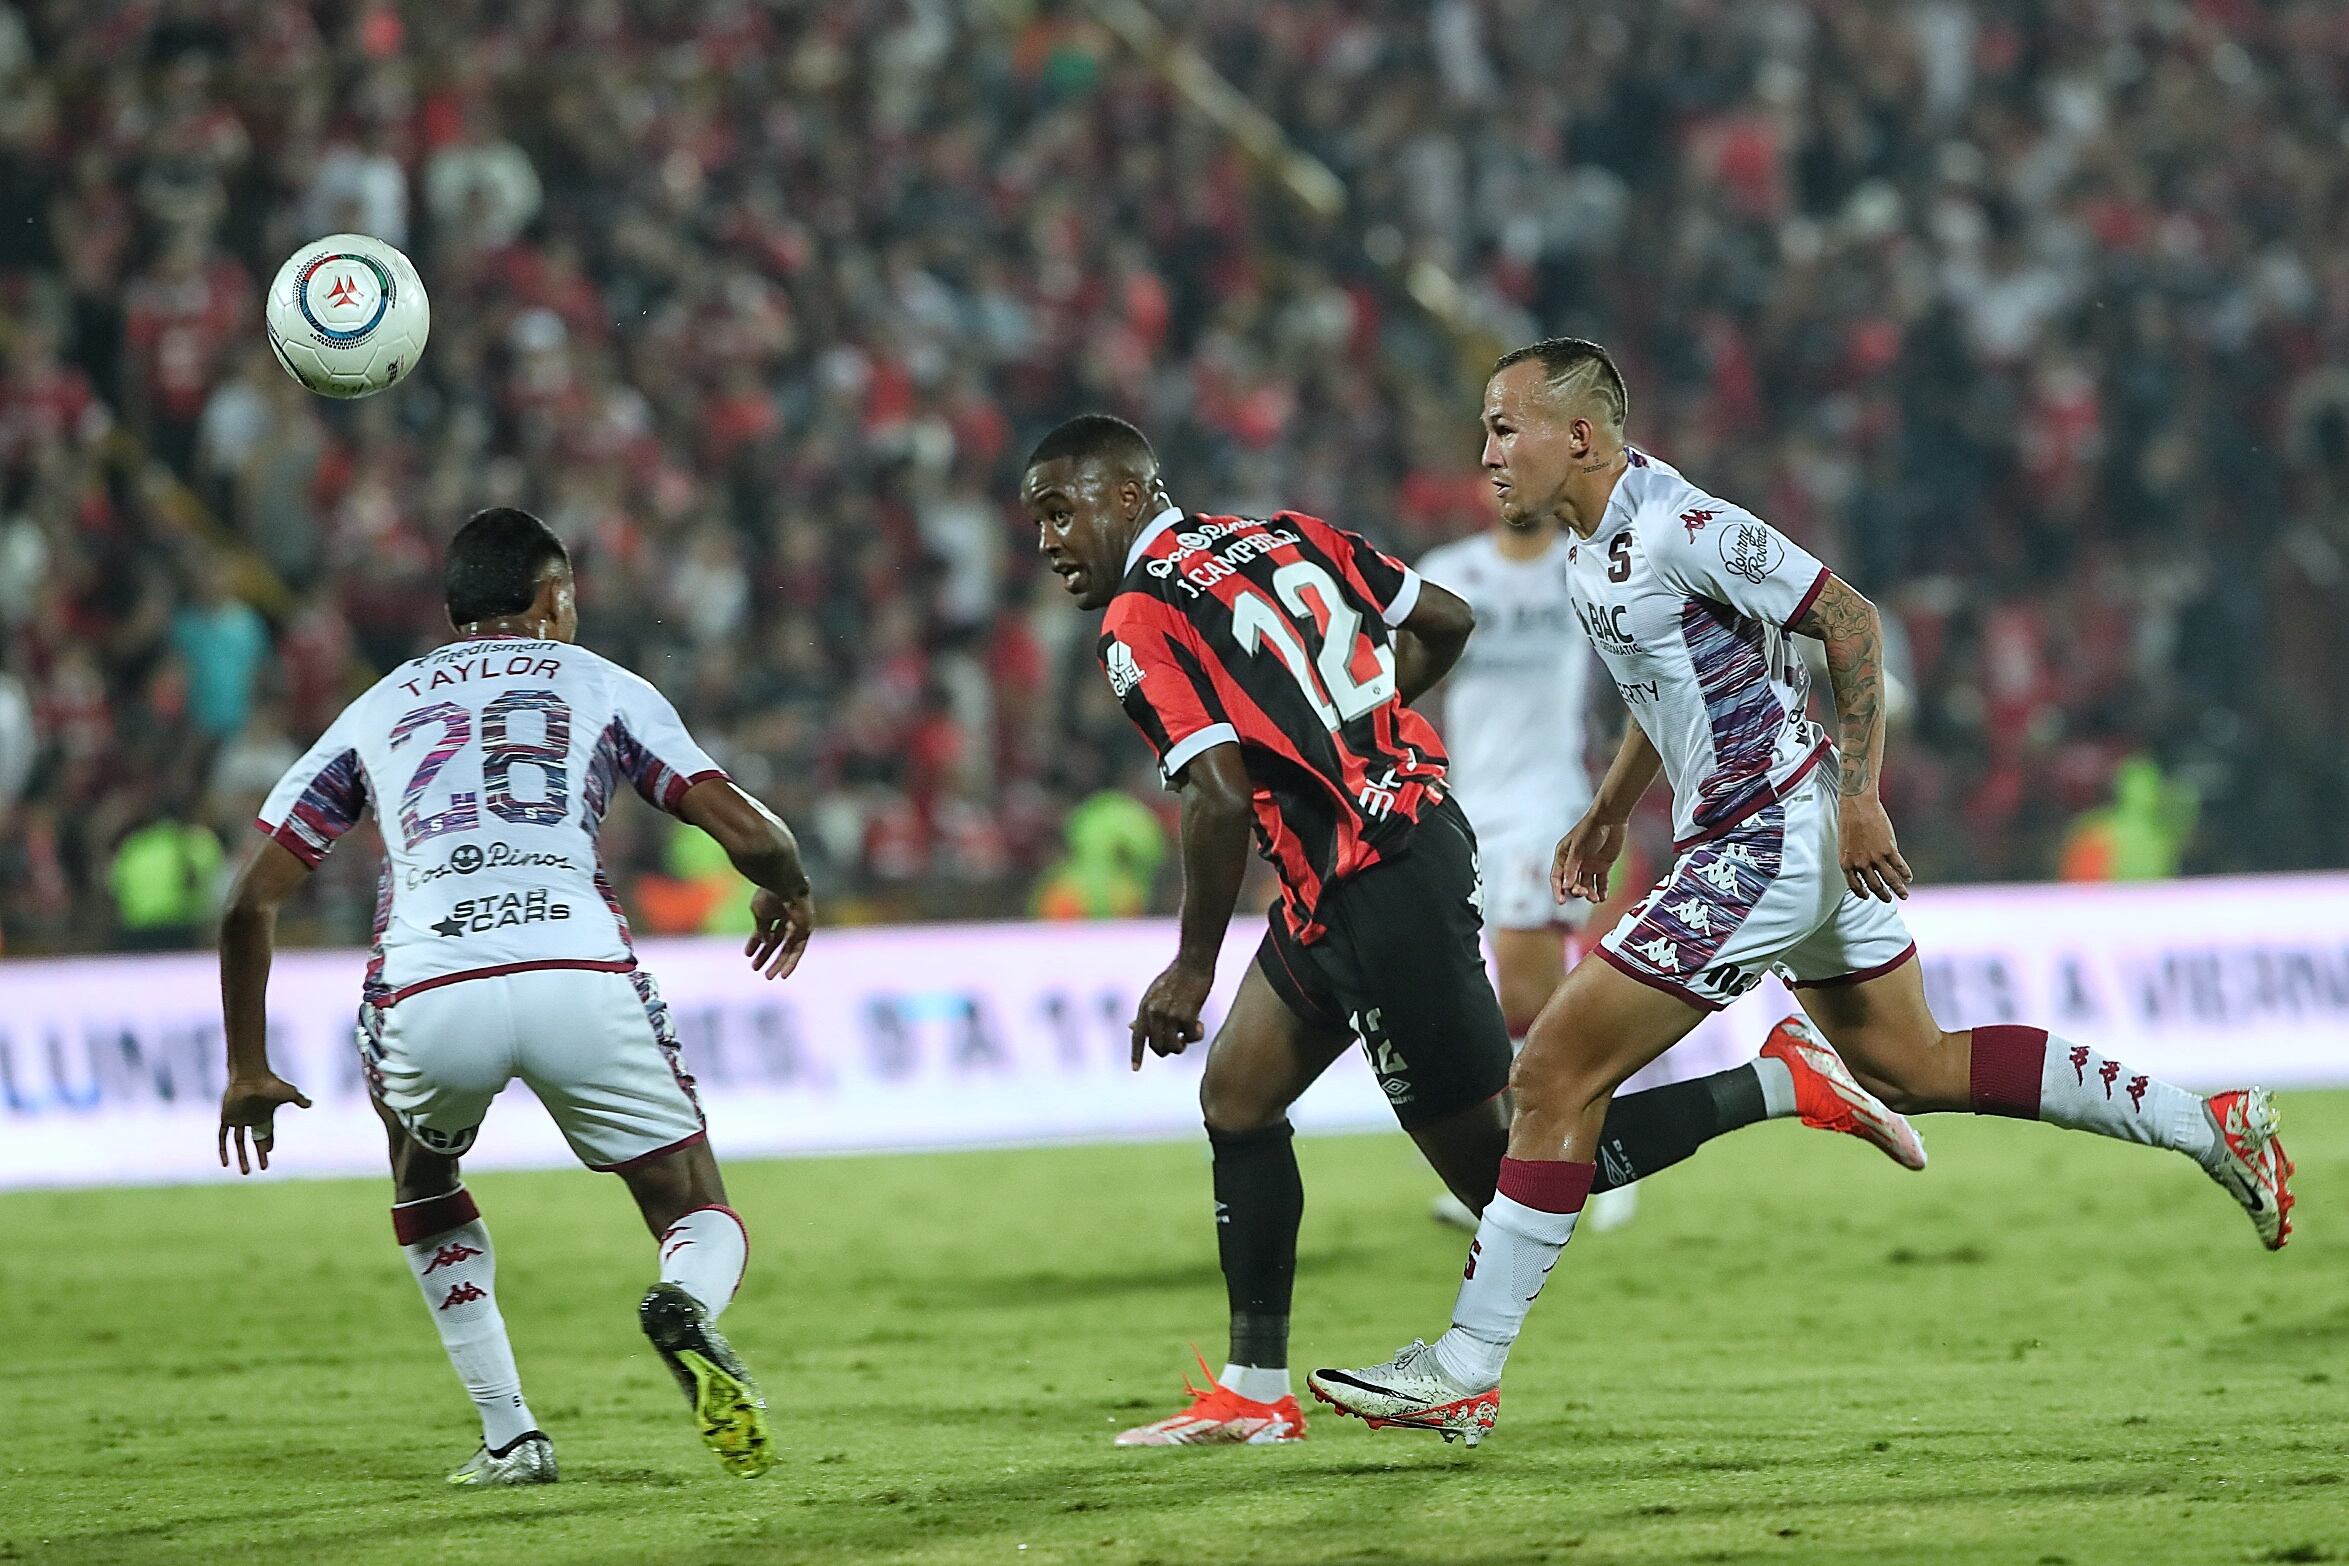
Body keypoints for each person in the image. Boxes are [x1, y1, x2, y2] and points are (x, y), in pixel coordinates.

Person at [1307, 339, 2297, 1447]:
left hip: (1770, 838)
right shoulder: (1591, 550)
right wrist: (1607, 809)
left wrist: (1865, 795)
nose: (1485, 453)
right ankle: (2209, 1125)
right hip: (1782, 832)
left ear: (1578, 435)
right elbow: (1664, 686)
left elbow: (1852, 619)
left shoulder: (1685, 526)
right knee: (1910, 1065)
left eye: (1504, 428)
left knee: (1549, 1071)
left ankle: (1465, 1366)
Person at [1024, 414, 1924, 1448]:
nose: (1048, 538)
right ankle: (1254, 1391)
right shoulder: (1286, 535)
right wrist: (1355, 723)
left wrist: (1190, 968)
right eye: (1038, 519)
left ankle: (1780, 1082)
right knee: (1238, 1097)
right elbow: (1446, 621)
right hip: (1361, 864)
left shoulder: (1140, 615)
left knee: (1511, 1175)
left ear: (1129, 496)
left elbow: (1219, 797)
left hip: (1382, 880)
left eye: (1061, 509)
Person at [214, 508, 816, 1486]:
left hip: (431, 984)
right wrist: (786, 887)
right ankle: (684, 1307)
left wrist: (245, 1065)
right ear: (553, 597)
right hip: (579, 973)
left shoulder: (380, 706)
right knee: (691, 1205)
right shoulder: (603, 685)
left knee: (422, 1181)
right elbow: (749, 832)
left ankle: (510, 1436)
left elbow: (249, 903)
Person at [1416, 510, 1648, 1235]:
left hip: (1549, 804)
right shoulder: (1449, 570)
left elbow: (1635, 665)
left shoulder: (1583, 569)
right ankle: (1509, 1172)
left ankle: (1593, 1158)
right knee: (1498, 1005)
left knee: (1523, 985)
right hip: (1464, 805)